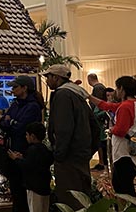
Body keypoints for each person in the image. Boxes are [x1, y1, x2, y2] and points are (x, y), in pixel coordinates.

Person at [44, 64, 96, 209]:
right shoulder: (78, 94)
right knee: (84, 198)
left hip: (69, 158)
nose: (46, 81)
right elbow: (95, 126)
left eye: (48, 77)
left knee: (70, 200)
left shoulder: (63, 95)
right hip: (81, 154)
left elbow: (63, 128)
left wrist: (59, 154)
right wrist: (90, 150)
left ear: (56, 77)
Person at [89, 76, 136, 196]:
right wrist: (89, 97)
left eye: (117, 88)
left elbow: (121, 130)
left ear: (122, 89)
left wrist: (111, 129)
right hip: (132, 150)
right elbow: (107, 106)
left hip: (123, 151)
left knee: (123, 187)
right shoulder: (135, 103)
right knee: (124, 184)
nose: (116, 91)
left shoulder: (125, 106)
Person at [0, 75, 44, 212]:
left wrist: (10, 121)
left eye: (15, 87)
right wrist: (10, 122)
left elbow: (20, 128)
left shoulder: (32, 107)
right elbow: (2, 123)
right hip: (13, 152)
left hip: (24, 152)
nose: (12, 90)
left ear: (24, 88)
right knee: (16, 191)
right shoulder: (15, 104)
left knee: (23, 192)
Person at [8, 122, 53, 212]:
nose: (26, 137)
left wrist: (16, 159)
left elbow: (27, 166)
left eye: (27, 135)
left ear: (32, 136)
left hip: (34, 187)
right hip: (45, 187)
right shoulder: (44, 149)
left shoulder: (32, 150)